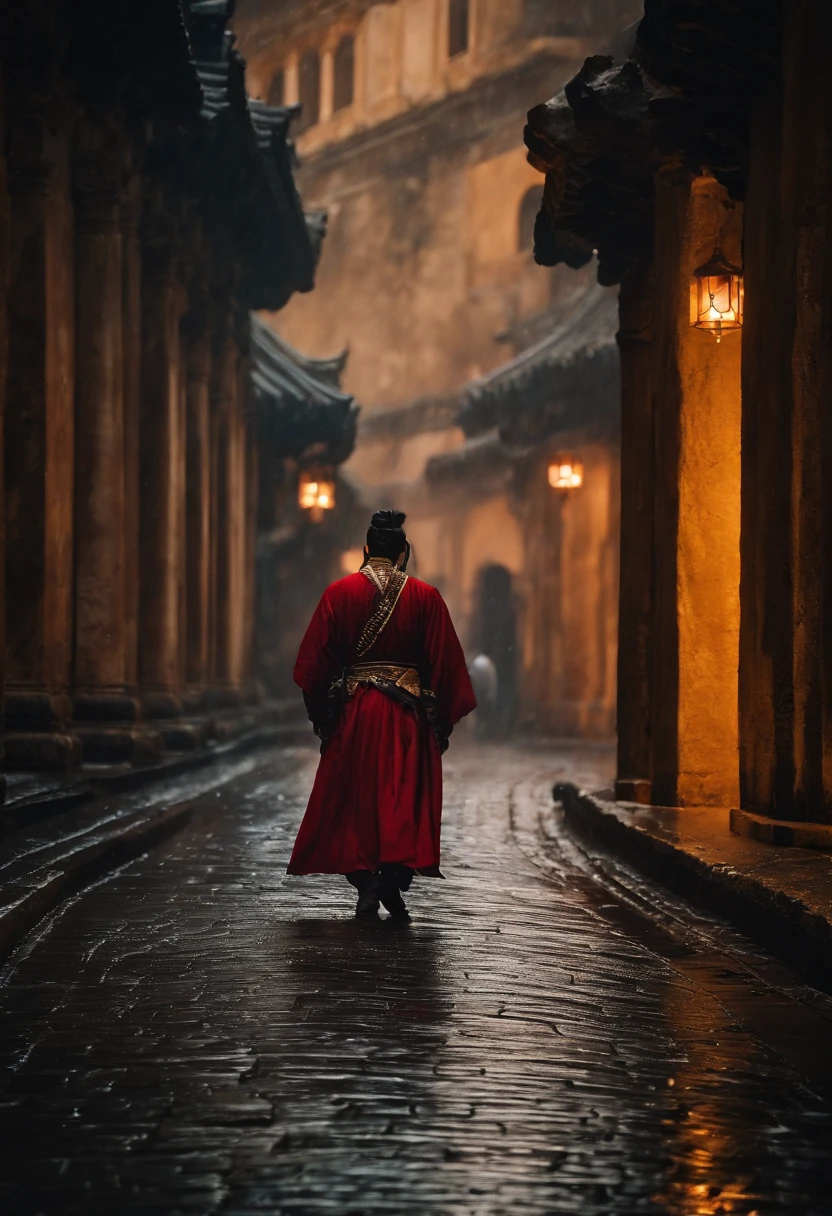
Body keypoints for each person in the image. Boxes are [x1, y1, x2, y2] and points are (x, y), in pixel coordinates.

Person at [288, 510, 477, 919]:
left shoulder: (339, 594)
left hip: (356, 714)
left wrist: (322, 718)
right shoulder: (426, 597)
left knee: (353, 802)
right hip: (407, 718)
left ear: (367, 550)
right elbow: (446, 666)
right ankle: (390, 879)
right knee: (399, 803)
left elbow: (311, 668)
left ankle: (368, 881)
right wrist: (441, 721)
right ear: (403, 553)